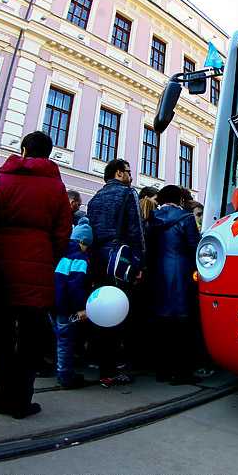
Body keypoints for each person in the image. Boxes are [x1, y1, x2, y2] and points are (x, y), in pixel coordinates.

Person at [0, 131, 72, 419]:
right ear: (49, 154)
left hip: (0, 266)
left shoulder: (1, 178)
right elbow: (63, 231)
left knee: (0, 335)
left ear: (23, 150)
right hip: (37, 266)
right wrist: (49, 257)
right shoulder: (56, 186)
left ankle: (1, 398)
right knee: (29, 341)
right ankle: (21, 402)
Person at [86, 158, 145, 387]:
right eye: (129, 172)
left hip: (98, 261)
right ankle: (111, 370)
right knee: (117, 313)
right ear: (120, 173)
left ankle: (99, 363)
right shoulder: (128, 194)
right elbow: (135, 230)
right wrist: (139, 265)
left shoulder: (95, 198)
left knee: (100, 311)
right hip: (119, 261)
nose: (131, 176)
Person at [146, 185, 202, 385]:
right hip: (182, 276)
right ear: (180, 200)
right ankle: (181, 373)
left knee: (161, 325)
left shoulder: (151, 219)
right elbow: (195, 249)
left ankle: (162, 371)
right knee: (182, 327)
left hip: (157, 276)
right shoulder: (186, 219)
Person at [51, 218, 93, 389]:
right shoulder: (79, 258)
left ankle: (61, 369)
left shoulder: (61, 254)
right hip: (67, 307)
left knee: (59, 339)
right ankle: (66, 376)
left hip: (53, 303)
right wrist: (80, 308)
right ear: (83, 243)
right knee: (65, 341)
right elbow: (76, 286)